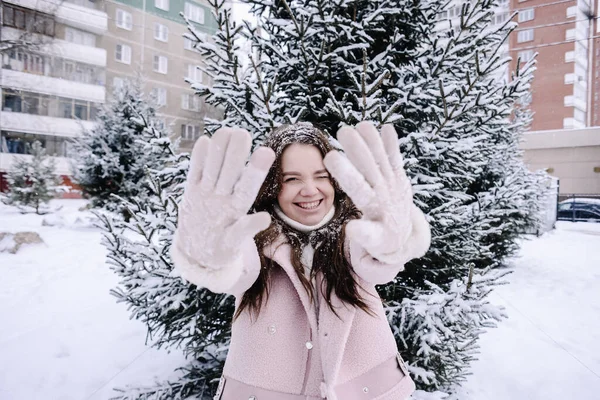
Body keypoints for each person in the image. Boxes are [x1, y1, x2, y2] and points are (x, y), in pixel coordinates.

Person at [171, 121, 431, 400]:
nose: (310, 190)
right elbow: (236, 270)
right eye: (292, 179)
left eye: (321, 176)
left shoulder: (357, 231)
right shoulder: (252, 236)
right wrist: (208, 255)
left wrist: (395, 242)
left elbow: (377, 263)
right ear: (273, 186)